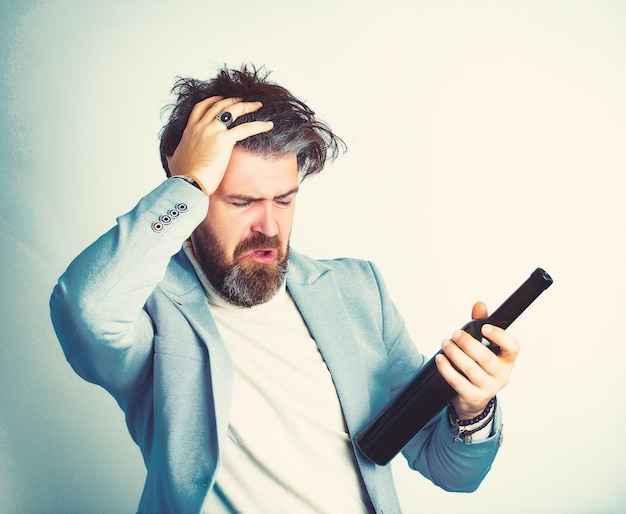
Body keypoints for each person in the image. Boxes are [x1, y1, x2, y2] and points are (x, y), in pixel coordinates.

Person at [50, 65, 518, 514]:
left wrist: (471, 406)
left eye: (285, 199)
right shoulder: (147, 306)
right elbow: (85, 310)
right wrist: (187, 184)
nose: (268, 226)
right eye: (241, 201)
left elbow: (451, 471)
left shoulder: (357, 293)